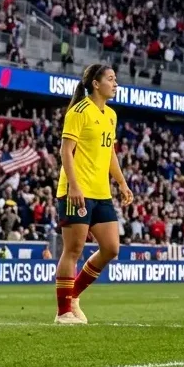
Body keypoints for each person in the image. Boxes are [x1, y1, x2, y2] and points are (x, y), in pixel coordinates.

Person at [54, 64, 133, 324]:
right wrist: (74, 186)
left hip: (101, 193)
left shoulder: (110, 115)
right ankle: (63, 312)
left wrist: (121, 183)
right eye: (111, 79)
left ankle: (73, 295)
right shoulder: (79, 111)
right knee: (73, 249)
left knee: (111, 248)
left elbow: (109, 153)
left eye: (115, 79)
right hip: (76, 191)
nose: (115, 83)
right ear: (96, 84)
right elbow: (66, 151)